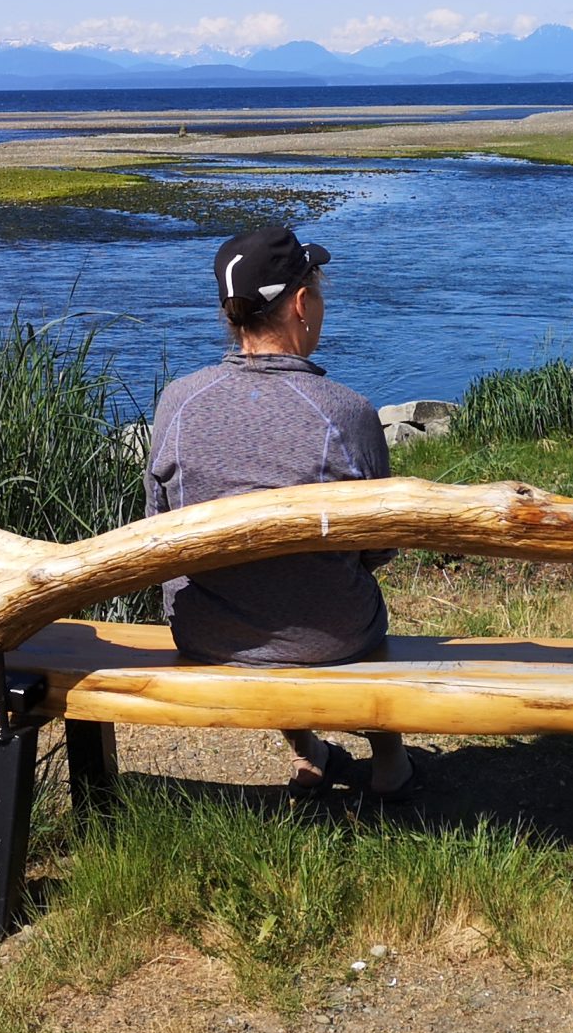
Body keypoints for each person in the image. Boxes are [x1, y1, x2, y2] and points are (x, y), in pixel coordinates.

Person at [143, 223, 415, 801]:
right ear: (300, 304)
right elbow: (380, 546)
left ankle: (308, 752)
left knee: (264, 591)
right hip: (330, 636)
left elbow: (157, 531)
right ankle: (389, 760)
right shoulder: (346, 413)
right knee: (334, 594)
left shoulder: (177, 402)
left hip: (207, 633)